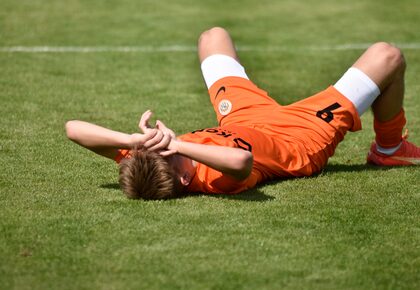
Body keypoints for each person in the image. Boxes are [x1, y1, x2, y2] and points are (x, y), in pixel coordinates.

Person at [66, 27, 420, 200]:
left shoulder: (149, 158)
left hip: (243, 115)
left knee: (212, 36)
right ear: (185, 179)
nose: (159, 145)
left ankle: (389, 148)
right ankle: (388, 149)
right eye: (167, 153)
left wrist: (131, 141)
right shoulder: (214, 179)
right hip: (301, 135)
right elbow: (241, 161)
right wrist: (180, 146)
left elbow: (73, 130)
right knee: (387, 56)